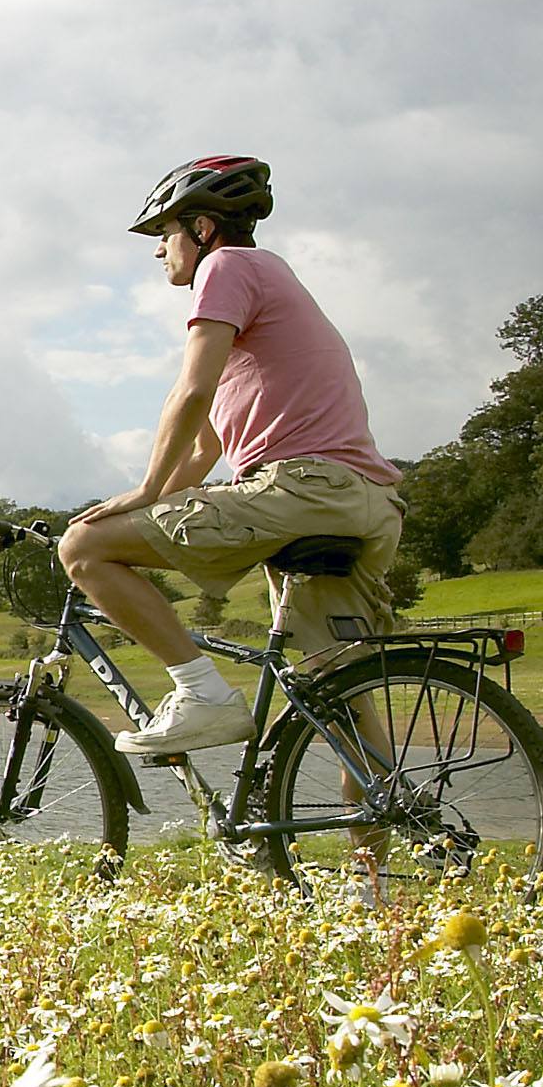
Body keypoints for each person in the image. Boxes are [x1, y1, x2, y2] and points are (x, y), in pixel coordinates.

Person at [57, 156, 405, 759]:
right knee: (340, 692)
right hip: (362, 501)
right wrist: (157, 496)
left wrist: (141, 494)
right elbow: (205, 446)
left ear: (203, 229)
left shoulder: (224, 267)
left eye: (164, 234)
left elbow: (190, 393)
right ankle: (373, 849)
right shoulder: (269, 279)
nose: (159, 251)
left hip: (302, 489)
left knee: (82, 549)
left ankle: (203, 694)